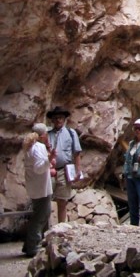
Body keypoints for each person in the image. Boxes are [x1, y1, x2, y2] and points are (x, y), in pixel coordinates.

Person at [22, 123, 55, 257]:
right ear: (43, 135)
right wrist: (50, 158)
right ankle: (32, 246)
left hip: (35, 186)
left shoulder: (29, 147)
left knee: (40, 214)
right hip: (41, 187)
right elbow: (39, 168)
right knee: (41, 216)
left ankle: (31, 244)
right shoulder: (38, 147)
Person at [46, 106, 82, 223]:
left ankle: (61, 228)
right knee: (46, 200)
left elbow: (76, 153)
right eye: (55, 118)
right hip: (48, 170)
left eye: (61, 118)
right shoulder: (47, 134)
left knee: (62, 201)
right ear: (52, 120)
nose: (58, 120)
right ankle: (46, 229)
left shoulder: (71, 133)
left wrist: (78, 171)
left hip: (63, 170)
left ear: (64, 119)